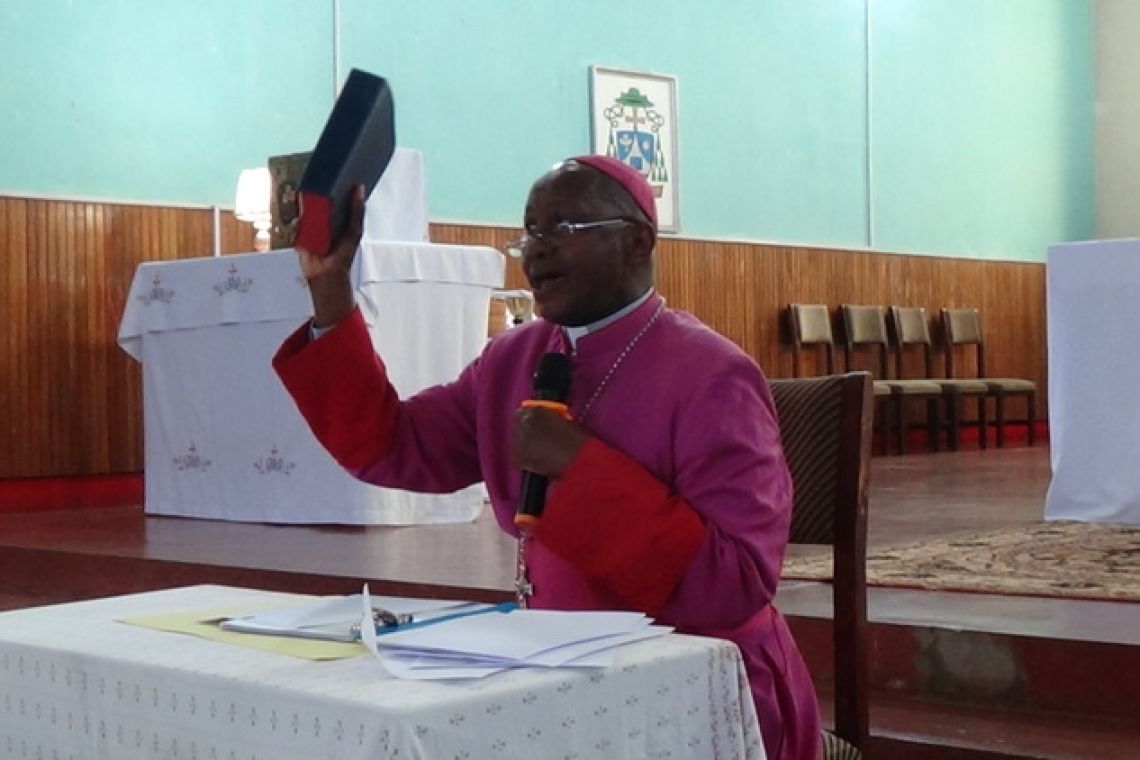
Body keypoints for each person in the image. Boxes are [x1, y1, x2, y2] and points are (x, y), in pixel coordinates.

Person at [272, 155, 822, 760]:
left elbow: (735, 583)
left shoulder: (713, 375)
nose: (535, 251)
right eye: (529, 233)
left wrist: (579, 466)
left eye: (563, 229)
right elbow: (393, 447)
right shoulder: (513, 359)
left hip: (700, 679)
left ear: (637, 241)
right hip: (557, 673)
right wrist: (330, 288)